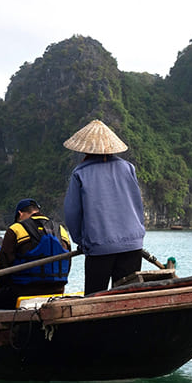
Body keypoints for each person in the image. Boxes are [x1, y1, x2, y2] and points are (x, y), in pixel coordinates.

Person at [62, 120, 146, 295]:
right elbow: (137, 206)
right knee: (126, 299)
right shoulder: (128, 168)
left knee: (95, 297)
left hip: (99, 246)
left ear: (85, 149)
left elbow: (72, 213)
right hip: (132, 245)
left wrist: (82, 242)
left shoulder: (80, 173)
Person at [0, 198, 72, 309]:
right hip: (57, 291)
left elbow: (3, 265)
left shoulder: (16, 229)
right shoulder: (61, 230)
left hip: (23, 292)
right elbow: (67, 264)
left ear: (20, 214)